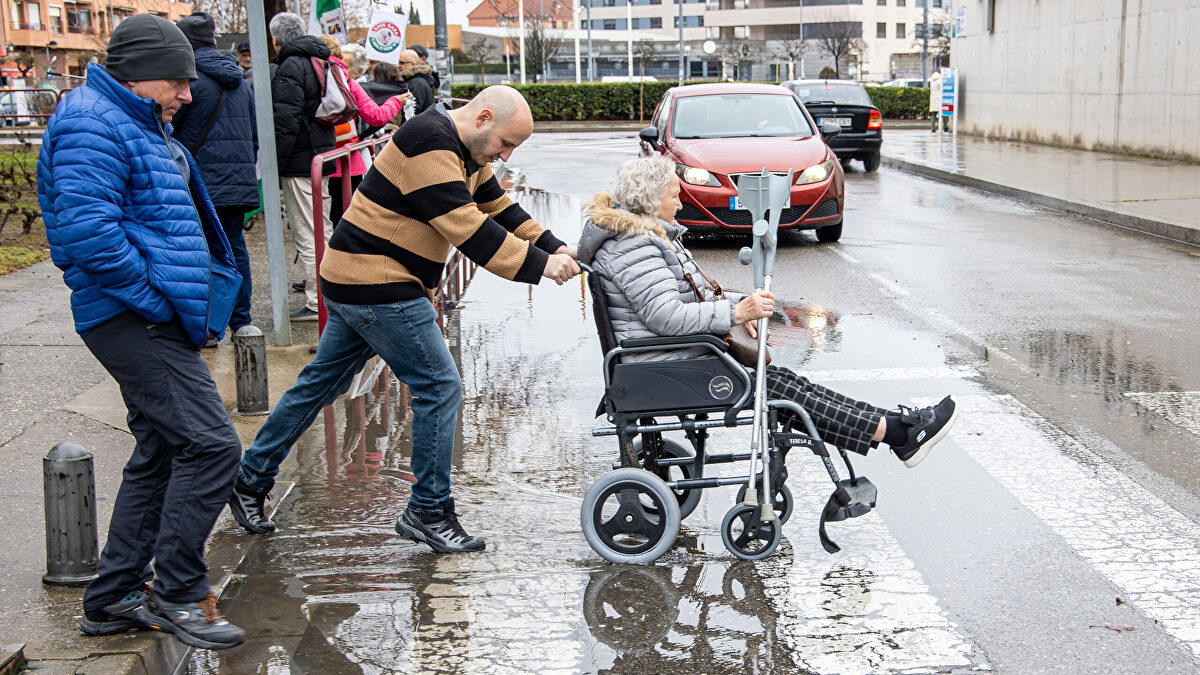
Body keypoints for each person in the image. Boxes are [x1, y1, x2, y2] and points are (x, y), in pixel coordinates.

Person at [228, 86, 581, 554]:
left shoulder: (465, 150)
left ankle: (249, 478)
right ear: (483, 118)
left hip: (359, 278)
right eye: (505, 144)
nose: (506, 155)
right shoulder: (429, 142)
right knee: (439, 386)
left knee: (320, 385)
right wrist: (539, 266)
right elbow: (468, 228)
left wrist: (553, 245)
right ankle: (428, 510)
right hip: (379, 284)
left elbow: (498, 208)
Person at [37, 14, 245, 650]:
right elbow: (87, 235)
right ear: (139, 74)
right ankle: (178, 589)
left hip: (152, 314)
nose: (187, 94)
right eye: (178, 82)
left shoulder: (133, 119)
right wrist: (155, 300)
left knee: (162, 449)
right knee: (212, 447)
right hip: (133, 316)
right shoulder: (90, 122)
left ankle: (112, 597)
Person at [578, 156, 958, 466]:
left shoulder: (641, 239)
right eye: (674, 196)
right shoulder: (636, 245)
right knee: (781, 391)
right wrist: (736, 314)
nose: (681, 203)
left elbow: (688, 301)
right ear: (648, 201)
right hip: (665, 365)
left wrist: (741, 307)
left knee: (786, 384)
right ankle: (896, 432)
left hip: (673, 358)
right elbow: (666, 317)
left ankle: (896, 427)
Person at [174, 12, 258, 342]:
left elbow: (172, 131)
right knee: (234, 248)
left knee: (199, 252)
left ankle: (207, 325)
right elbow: (253, 135)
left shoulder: (186, 82)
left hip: (199, 181)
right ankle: (241, 321)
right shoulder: (241, 83)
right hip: (237, 180)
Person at [315, 35, 408, 227]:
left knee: (321, 222)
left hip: (317, 161)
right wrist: (396, 101)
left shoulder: (311, 79)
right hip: (347, 160)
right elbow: (377, 116)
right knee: (348, 220)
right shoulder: (349, 84)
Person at [398, 48, 437, 117]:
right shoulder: (415, 80)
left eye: (402, 63)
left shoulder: (417, 83)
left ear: (413, 64)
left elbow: (412, 112)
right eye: (398, 62)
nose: (399, 66)